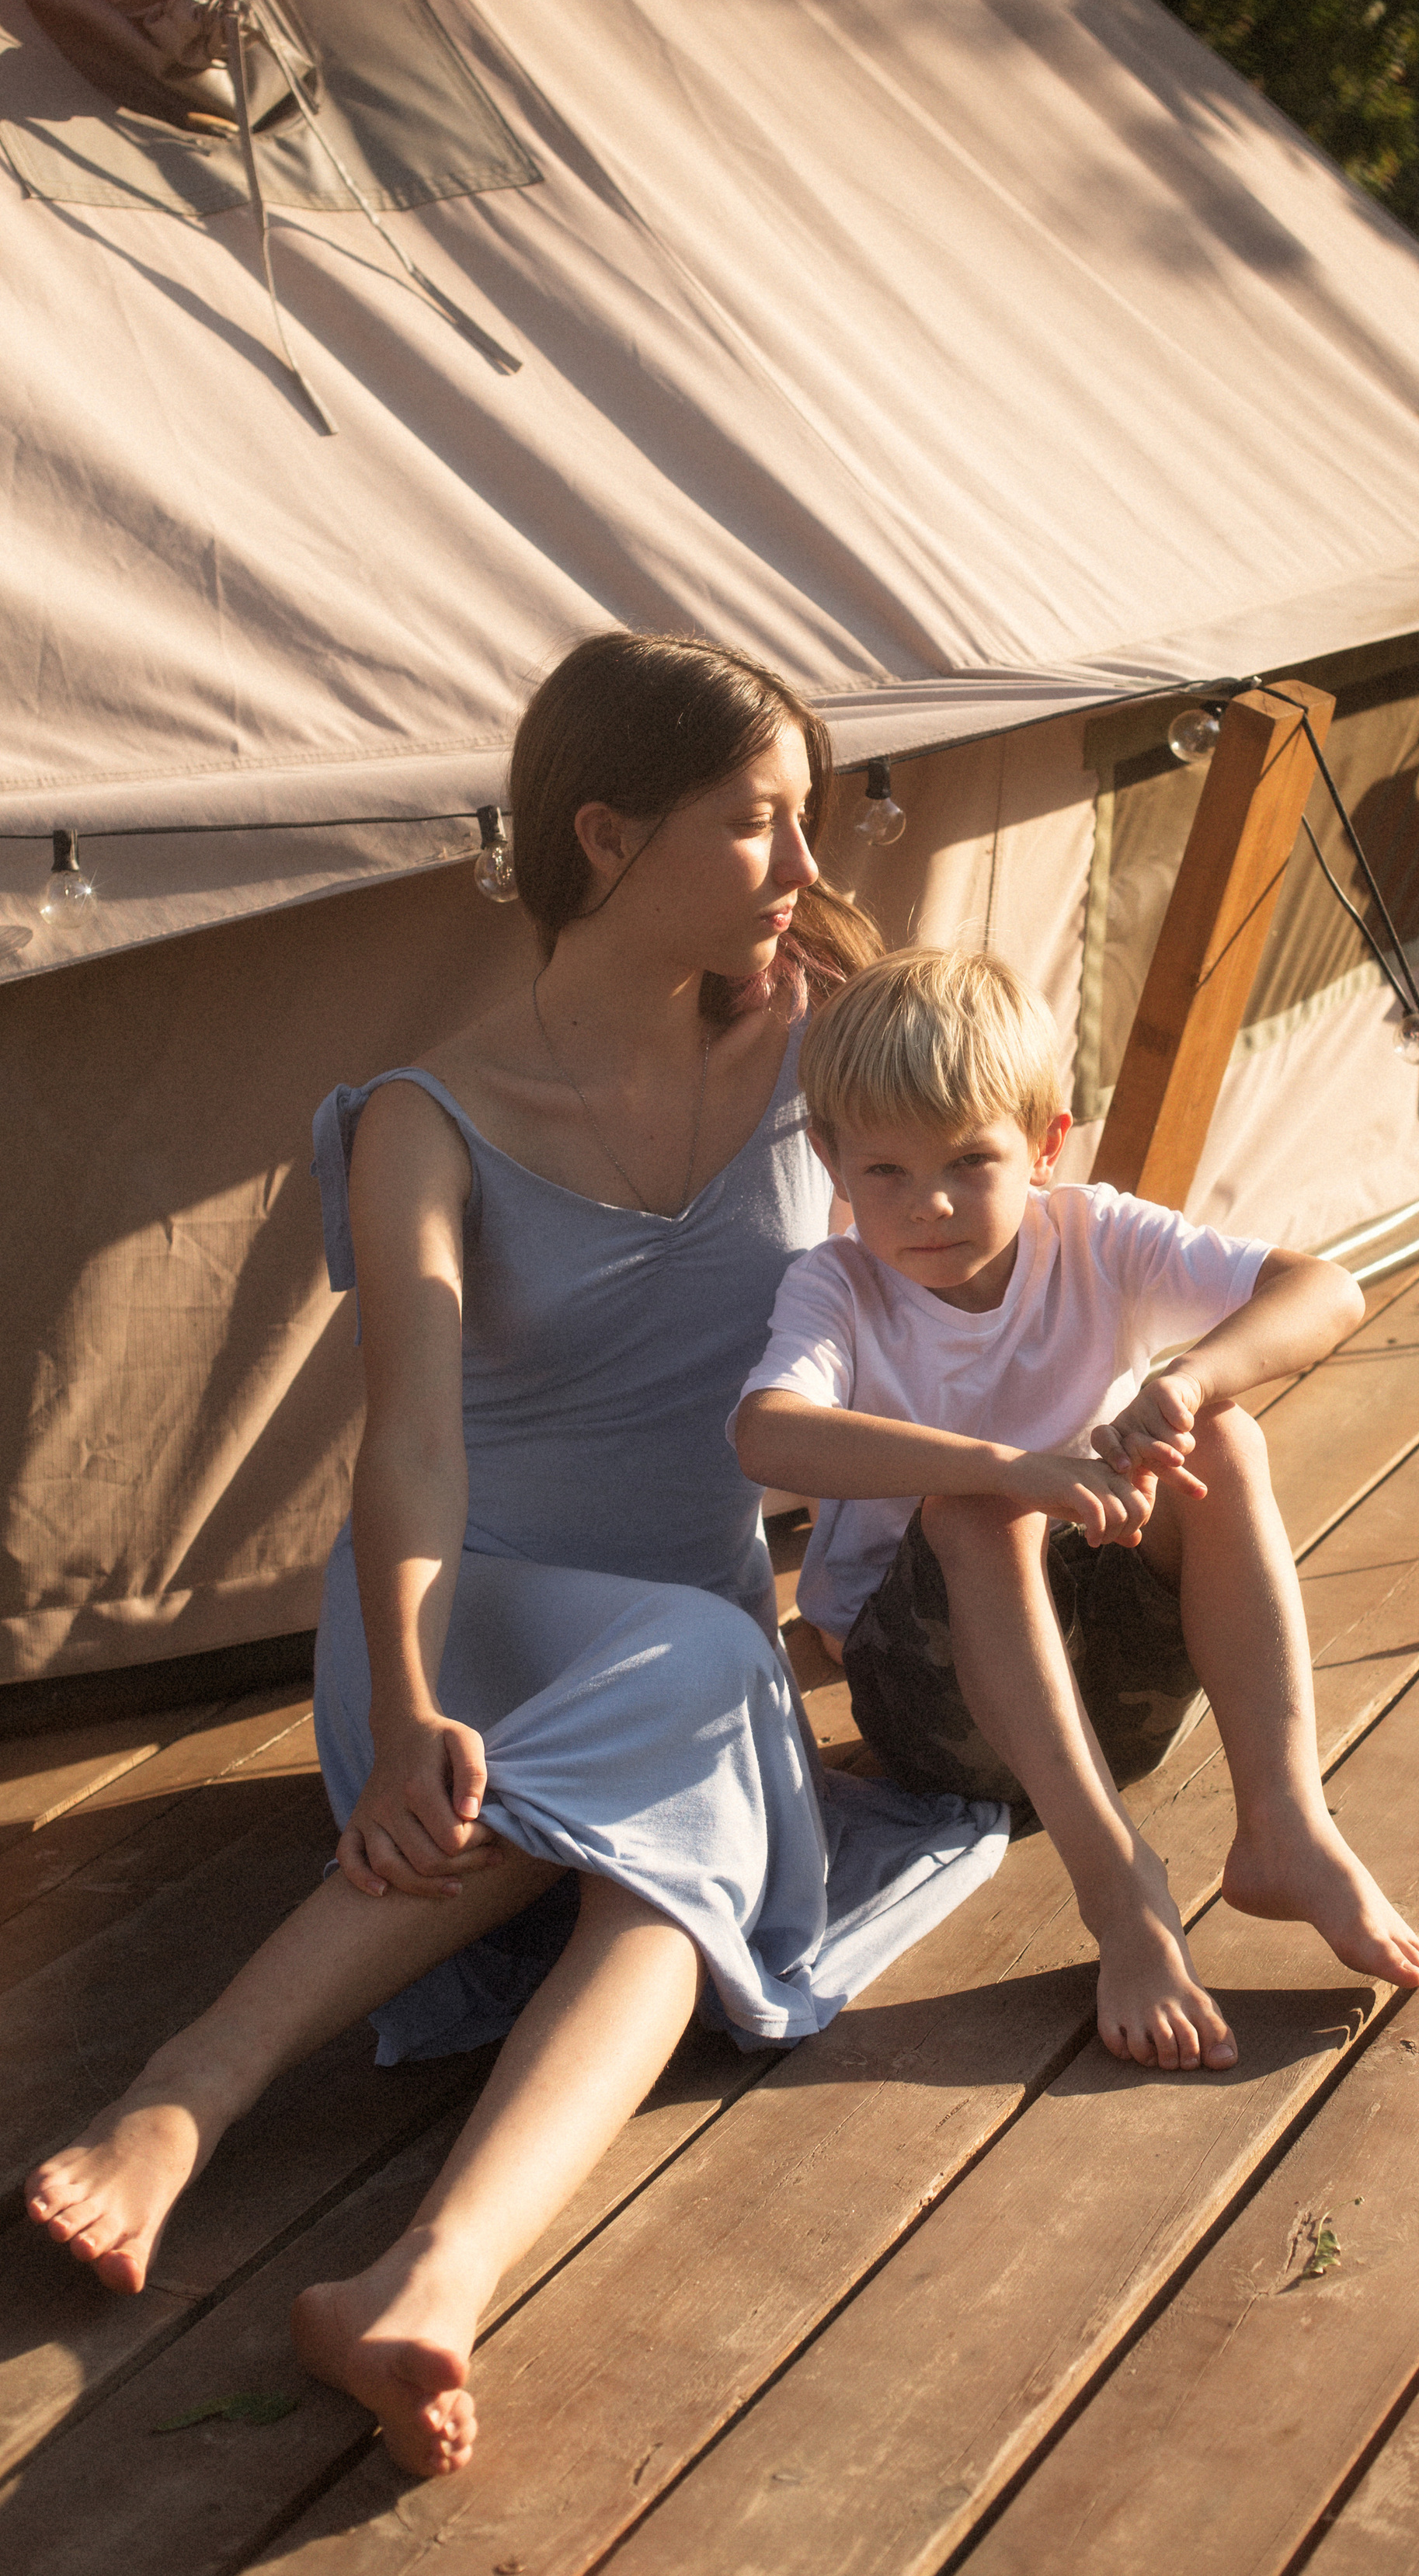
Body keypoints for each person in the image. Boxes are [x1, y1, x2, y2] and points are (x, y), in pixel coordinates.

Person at [23, 636, 1006, 2478]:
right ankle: (186, 2092)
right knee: (710, 1698)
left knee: (687, 1828)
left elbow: (1017, 1180)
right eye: (759, 825)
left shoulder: (823, 1050)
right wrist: (402, 1709)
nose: (805, 869)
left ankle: (431, 2279)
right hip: (462, 1622)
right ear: (608, 835)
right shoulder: (425, 1119)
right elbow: (403, 1445)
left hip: (691, 1638)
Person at [732, 947, 1419, 2076]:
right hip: (939, 1719)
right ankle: (1123, 1895)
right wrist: (1013, 1467)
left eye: (972, 1161)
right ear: (830, 1162)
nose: (931, 1206)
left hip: (1118, 1705)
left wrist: (1192, 1377)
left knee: (1227, 1438)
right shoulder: (840, 1288)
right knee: (975, 1511)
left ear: (1047, 1144)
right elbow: (766, 1431)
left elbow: (1330, 1289)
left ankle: (1286, 1823)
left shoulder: (1093, 1236)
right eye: (886, 1174)